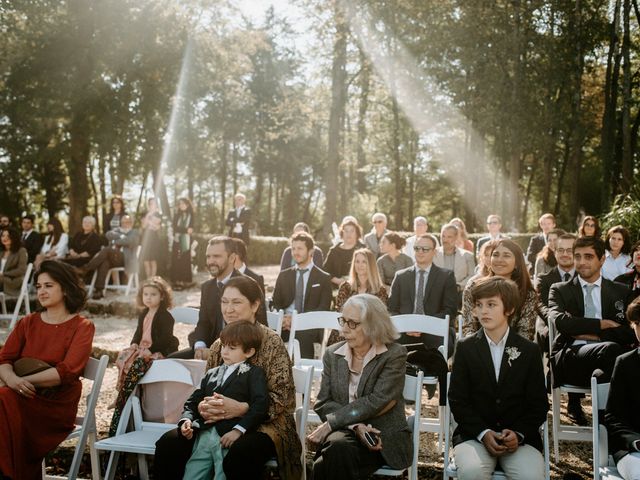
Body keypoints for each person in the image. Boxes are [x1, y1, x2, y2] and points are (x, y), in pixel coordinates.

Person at [154, 276, 303, 480]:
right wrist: (204, 408)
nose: (228, 309)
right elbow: (207, 389)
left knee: (239, 453)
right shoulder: (219, 345)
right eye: (224, 302)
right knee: (170, 443)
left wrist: (242, 409)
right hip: (214, 424)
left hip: (266, 424)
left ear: (255, 305)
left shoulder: (271, 343)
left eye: (236, 302)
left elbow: (282, 400)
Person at [0, 260, 94, 479]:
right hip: (17, 395)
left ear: (65, 288)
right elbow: (4, 359)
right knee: (4, 398)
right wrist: (13, 380)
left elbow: (67, 372)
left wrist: (22, 382)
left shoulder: (82, 326)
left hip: (54, 403)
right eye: (39, 286)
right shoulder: (28, 322)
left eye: (49, 285)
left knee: (3, 398)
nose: (41, 291)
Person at [448, 276, 548, 480]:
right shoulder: (466, 348)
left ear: (509, 309)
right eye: (479, 305)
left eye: (491, 304)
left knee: (530, 476)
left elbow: (538, 404)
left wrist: (518, 434)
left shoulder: (529, 351)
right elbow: (458, 400)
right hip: (474, 436)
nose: (483, 311)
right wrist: (483, 432)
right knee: (473, 472)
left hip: (521, 440)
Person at [308, 294, 412, 479]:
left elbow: (378, 401)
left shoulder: (394, 355)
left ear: (373, 325)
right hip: (344, 434)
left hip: (381, 438)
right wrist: (356, 426)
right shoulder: (333, 354)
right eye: (343, 321)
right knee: (338, 449)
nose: (344, 330)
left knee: (325, 463)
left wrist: (332, 422)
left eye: (353, 323)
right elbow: (323, 402)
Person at [549, 236, 636, 425]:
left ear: (602, 259)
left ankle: (605, 429)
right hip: (571, 358)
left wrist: (585, 330)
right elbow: (562, 324)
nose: (581, 262)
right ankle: (614, 426)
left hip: (608, 362)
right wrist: (602, 324)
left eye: (588, 257)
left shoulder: (621, 291)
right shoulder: (560, 290)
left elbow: (630, 333)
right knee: (614, 352)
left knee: (605, 370)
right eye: (578, 256)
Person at [179, 321, 268, 480]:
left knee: (222, 474)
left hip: (228, 436)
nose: (225, 352)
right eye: (223, 346)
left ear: (249, 352)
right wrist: (187, 419)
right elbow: (193, 401)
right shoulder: (212, 373)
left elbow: (260, 405)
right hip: (204, 434)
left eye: (232, 348)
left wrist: (238, 430)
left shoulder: (254, 374)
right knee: (193, 472)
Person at [109, 276, 178, 435]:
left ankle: (123, 397)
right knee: (124, 357)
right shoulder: (143, 313)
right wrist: (134, 343)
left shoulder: (166, 316)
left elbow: (166, 338)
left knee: (139, 363)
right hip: (142, 347)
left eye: (153, 294)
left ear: (162, 297)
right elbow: (138, 332)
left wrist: (152, 348)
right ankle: (122, 391)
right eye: (145, 294)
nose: (148, 297)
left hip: (157, 349)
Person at [171, 236, 241, 360]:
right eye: (208, 256)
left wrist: (217, 353)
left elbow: (254, 330)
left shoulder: (247, 286)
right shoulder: (207, 287)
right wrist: (199, 346)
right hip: (207, 348)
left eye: (216, 256)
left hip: (237, 355)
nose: (211, 261)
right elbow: (204, 322)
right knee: (169, 362)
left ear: (232, 258)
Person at [462, 239, 540, 342]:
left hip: (514, 349)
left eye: (506, 255)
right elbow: (469, 326)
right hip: (478, 347)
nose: (499, 260)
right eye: (495, 255)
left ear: (517, 263)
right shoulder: (474, 287)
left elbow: (525, 332)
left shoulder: (527, 293)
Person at [272, 232, 332, 358]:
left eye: (300, 248)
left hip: (308, 327)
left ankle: (301, 375)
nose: (295, 252)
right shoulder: (284, 275)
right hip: (284, 324)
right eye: (293, 248)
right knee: (268, 334)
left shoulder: (323, 278)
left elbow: (323, 308)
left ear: (311, 251)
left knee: (302, 336)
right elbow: (275, 302)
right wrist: (283, 318)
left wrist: (298, 320)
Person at [605, 297, 640, 480]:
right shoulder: (625, 363)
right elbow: (613, 415)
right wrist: (635, 441)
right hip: (632, 449)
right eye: (638, 324)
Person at [79, 214, 139, 300]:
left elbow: (130, 241)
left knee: (107, 250)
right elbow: (108, 234)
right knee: (105, 262)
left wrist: (115, 241)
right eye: (123, 222)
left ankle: (86, 269)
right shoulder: (118, 230)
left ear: (132, 223)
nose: (125, 224)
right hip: (114, 258)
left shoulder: (134, 232)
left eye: (128, 222)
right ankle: (99, 291)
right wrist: (121, 236)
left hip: (126, 259)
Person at [535, 234, 576, 355]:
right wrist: (556, 319)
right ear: (554, 252)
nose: (565, 254)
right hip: (550, 323)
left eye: (570, 250)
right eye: (561, 250)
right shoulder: (544, 279)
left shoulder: (585, 277)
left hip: (577, 323)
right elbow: (540, 304)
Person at [433, 223, 476, 295]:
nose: (445, 240)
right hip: (436, 294)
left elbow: (472, 276)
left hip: (459, 294)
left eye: (449, 237)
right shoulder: (432, 254)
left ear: (456, 238)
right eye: (443, 236)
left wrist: (459, 286)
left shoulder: (468, 256)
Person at [323, 219, 365, 287]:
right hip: (337, 288)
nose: (349, 234)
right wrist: (339, 281)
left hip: (360, 287)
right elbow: (325, 271)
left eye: (352, 231)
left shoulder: (364, 250)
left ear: (357, 233)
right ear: (342, 232)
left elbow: (370, 270)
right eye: (346, 231)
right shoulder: (334, 251)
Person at [171, 197, 195, 288]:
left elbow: (191, 229)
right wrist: (185, 230)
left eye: (183, 204)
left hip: (186, 240)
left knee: (185, 259)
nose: (181, 205)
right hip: (177, 240)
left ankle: (186, 281)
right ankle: (176, 280)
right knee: (176, 260)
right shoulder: (177, 214)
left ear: (187, 205)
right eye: (180, 204)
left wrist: (183, 230)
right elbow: (175, 228)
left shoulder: (191, 214)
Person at [0, 228, 28, 296]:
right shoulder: (1, 252)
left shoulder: (21, 251)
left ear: (14, 237)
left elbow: (21, 270)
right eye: (3, 236)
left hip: (13, 281)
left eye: (8, 236)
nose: (5, 238)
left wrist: (4, 274)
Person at [140, 212, 164, 279]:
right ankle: (148, 278)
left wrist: (149, 222)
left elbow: (157, 227)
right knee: (146, 262)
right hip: (145, 243)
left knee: (153, 261)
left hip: (154, 243)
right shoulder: (147, 215)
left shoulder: (157, 215)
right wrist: (148, 217)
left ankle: (152, 279)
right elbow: (143, 226)